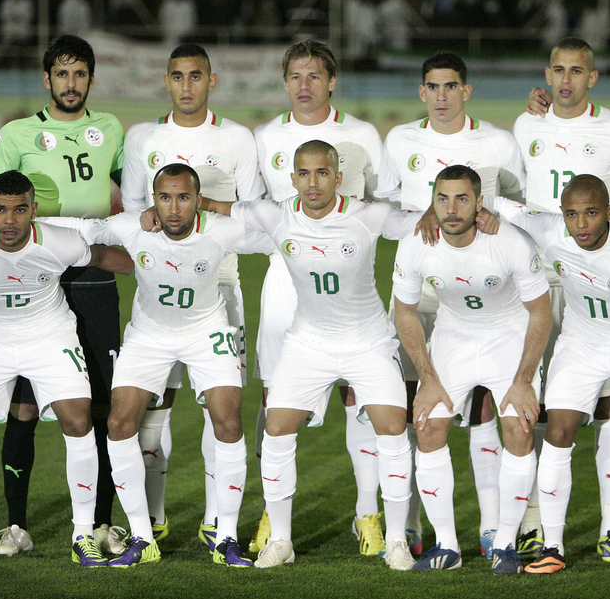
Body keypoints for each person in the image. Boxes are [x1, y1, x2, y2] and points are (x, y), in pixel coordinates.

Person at [204, 140, 419, 571]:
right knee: (277, 430)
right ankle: (281, 540)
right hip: (308, 342)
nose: (312, 182)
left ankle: (396, 540)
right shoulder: (277, 214)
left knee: (393, 431)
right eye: (303, 173)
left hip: (369, 341)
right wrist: (168, 209)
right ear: (293, 177)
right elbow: (216, 206)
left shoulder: (367, 215)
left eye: (322, 173)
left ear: (338, 177)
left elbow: (421, 222)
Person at [51, 164, 272, 567]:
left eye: (183, 197)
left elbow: (277, 229)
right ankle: (141, 537)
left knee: (229, 423)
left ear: (197, 199)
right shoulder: (133, 227)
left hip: (207, 333)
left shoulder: (220, 229)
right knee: (119, 425)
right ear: (153, 200)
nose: (174, 208)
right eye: (165, 197)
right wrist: (28, 219)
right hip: (149, 337)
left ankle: (225, 538)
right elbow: (83, 228)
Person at [0, 171, 132, 567]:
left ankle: (82, 533)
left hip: (49, 333)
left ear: (33, 210)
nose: (10, 220)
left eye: (19, 210)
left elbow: (101, 256)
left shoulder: (56, 241)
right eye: (0, 210)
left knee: (77, 417)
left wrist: (154, 265)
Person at [0, 35, 126, 558]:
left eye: (80, 74)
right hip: (33, 282)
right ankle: (17, 526)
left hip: (94, 281)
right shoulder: (17, 134)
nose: (71, 84)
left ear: (91, 79)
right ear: (47, 80)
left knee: (98, 406)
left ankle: (101, 524)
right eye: (61, 74)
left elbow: (130, 200)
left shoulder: (111, 130)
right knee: (23, 408)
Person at [515, 36, 610, 563]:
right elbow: (516, 197)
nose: (565, 81)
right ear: (547, 73)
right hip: (535, 276)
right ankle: (534, 524)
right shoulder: (527, 123)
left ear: (592, 78)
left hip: (591, 272)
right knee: (533, 404)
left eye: (576, 71)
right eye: (557, 70)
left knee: (609, 406)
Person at [249, 41, 399, 558]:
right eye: (296, 75)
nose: (305, 84)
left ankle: (367, 514)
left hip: (349, 285)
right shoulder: (266, 137)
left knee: (360, 399)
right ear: (285, 81)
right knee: (277, 401)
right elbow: (252, 207)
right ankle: (275, 515)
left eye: (315, 75)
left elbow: (385, 200)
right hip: (286, 279)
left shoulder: (359, 136)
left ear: (331, 81)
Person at [489, 174, 610, 576]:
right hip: (581, 344)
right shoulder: (551, 229)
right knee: (557, 434)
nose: (580, 225)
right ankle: (553, 548)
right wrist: (468, 209)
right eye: (572, 215)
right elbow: (504, 206)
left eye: (591, 213)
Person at [121, 43, 265, 554]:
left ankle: (213, 521)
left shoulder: (236, 138)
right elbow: (137, 210)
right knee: (154, 409)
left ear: (212, 81)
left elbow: (251, 214)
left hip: (221, 287)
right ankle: (154, 519)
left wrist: (204, 206)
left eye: (196, 76)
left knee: (219, 410)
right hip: (159, 293)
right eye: (178, 76)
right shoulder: (144, 137)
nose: (187, 86)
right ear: (166, 81)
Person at [383, 50, 526, 558]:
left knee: (487, 408)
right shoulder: (400, 141)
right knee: (418, 410)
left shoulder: (499, 143)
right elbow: (385, 211)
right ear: (421, 92)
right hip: (421, 294)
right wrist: (416, 221)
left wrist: (493, 218)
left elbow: (518, 206)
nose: (441, 96)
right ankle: (415, 525)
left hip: (483, 297)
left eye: (451, 86)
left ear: (466, 90)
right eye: (432, 87)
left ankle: (494, 527)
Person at [392, 166, 551, 574]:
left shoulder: (509, 242)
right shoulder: (416, 245)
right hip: (454, 336)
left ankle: (504, 544)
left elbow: (540, 313)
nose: (451, 208)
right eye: (442, 198)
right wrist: (426, 378)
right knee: (427, 426)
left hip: (508, 335)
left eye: (462, 198)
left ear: (479, 202)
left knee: (518, 427)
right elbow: (405, 313)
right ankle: (447, 546)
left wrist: (523, 381)